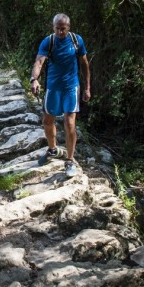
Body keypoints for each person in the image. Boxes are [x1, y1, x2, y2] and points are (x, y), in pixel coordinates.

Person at [29, 13, 91, 177]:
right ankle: (52, 149)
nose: (60, 32)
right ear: (53, 27)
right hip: (52, 88)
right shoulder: (48, 42)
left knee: (70, 123)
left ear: (68, 27)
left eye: (63, 29)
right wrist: (34, 79)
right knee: (47, 121)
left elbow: (84, 64)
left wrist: (87, 88)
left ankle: (70, 161)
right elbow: (39, 61)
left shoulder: (77, 41)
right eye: (57, 28)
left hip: (71, 88)